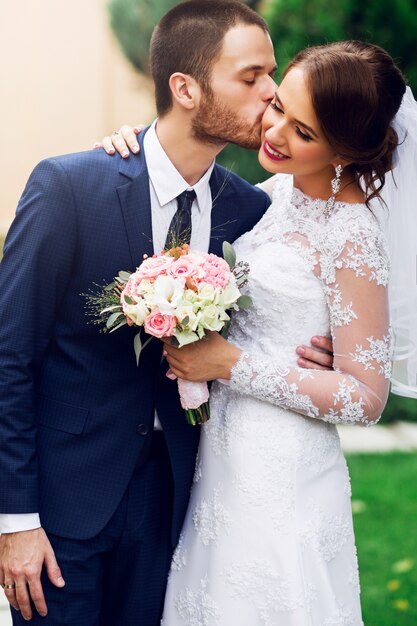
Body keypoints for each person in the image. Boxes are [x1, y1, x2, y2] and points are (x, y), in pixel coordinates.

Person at [0, 2, 332, 625]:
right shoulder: (70, 187)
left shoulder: (248, 211)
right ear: (184, 87)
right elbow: (8, 355)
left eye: (272, 76)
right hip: (63, 509)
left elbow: (292, 306)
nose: (271, 95)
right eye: (252, 77)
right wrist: (14, 519)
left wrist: (324, 349)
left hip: (179, 505)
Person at [103, 40, 416, 624]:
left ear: (346, 150)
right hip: (221, 456)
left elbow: (366, 397)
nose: (274, 132)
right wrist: (130, 147)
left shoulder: (353, 239)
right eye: (279, 106)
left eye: (303, 132)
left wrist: (229, 365)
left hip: (283, 471)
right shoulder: (274, 194)